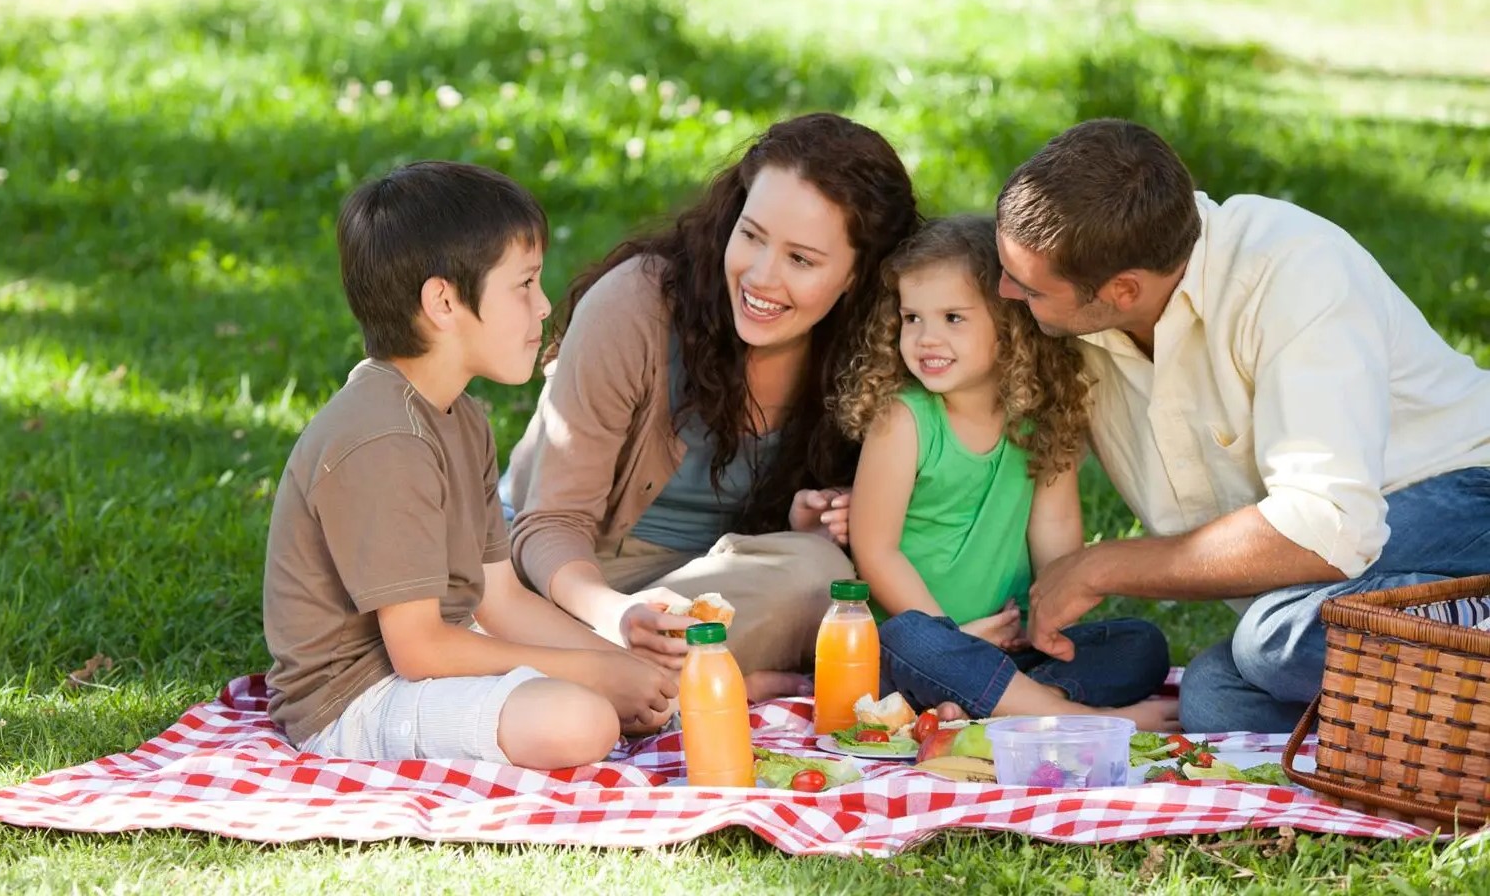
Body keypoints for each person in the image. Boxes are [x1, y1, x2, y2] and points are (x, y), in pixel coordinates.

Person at [993, 118, 1490, 733]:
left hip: (1465, 498)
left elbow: (1328, 527)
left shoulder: (1294, 271)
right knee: (1218, 699)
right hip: (1330, 580)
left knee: (1274, 638)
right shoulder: (1085, 315)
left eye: (1030, 288)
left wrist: (1103, 565)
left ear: (1123, 289)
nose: (1004, 291)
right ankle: (1446, 707)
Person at [263, 161, 676, 768]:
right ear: (444, 301)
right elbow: (419, 650)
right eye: (524, 285)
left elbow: (500, 598)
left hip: (437, 657)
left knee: (624, 689)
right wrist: (592, 673)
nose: (543, 307)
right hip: (354, 698)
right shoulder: (385, 438)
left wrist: (617, 663)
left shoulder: (461, 417)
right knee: (581, 718)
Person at [504, 113, 921, 697]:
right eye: (751, 236)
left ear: (859, 274)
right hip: (574, 578)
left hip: (715, 593)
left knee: (820, 574)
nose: (760, 276)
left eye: (801, 259)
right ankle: (704, 683)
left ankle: (629, 683)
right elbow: (548, 524)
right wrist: (615, 616)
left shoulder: (880, 351)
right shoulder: (635, 308)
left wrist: (815, 520)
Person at [837, 215, 1177, 730]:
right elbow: (875, 551)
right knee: (908, 639)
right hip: (921, 652)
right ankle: (1082, 719)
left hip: (1010, 648)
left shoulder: (1042, 416)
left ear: (1009, 324)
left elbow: (1056, 533)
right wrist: (952, 635)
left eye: (953, 317)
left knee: (1140, 644)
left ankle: (1012, 704)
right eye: (912, 318)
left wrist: (1051, 623)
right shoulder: (902, 419)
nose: (926, 337)